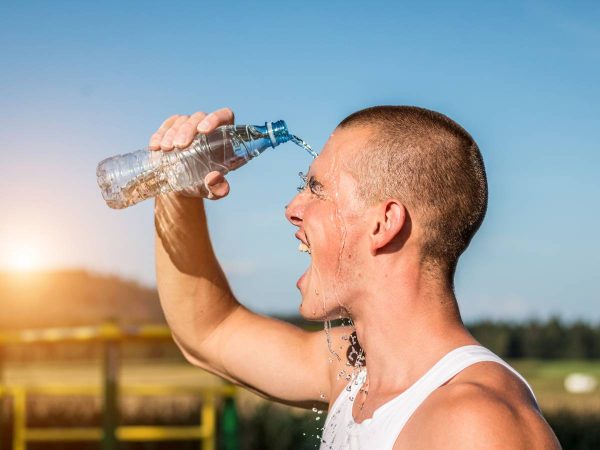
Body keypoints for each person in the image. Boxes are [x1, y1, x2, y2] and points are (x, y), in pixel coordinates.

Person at [151, 106, 560, 449]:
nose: (292, 208)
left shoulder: (477, 425)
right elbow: (208, 331)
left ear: (383, 224)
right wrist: (176, 188)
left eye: (316, 187)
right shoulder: (354, 368)